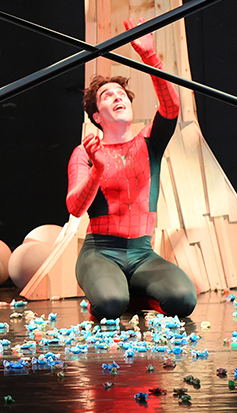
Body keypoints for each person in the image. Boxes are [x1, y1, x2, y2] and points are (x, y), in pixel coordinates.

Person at [66, 18, 197, 320]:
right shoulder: (85, 152)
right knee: (110, 305)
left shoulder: (148, 143)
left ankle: (136, 297)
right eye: (107, 96)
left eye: (121, 94)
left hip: (142, 253)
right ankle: (113, 295)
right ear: (97, 116)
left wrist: (149, 56)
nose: (118, 97)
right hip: (100, 251)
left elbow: (171, 108)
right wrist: (97, 169)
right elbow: (74, 207)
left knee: (184, 300)